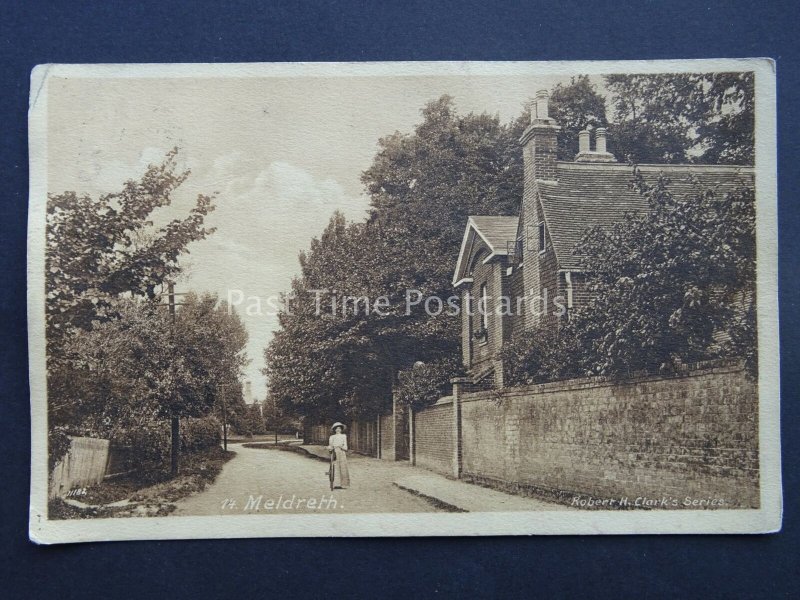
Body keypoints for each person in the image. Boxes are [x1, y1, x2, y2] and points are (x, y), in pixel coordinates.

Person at [327, 422, 350, 489]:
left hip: (342, 452)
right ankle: (335, 484)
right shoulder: (332, 437)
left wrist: (341, 447)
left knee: (342, 467)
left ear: (341, 429)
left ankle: (344, 484)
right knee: (335, 467)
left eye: (339, 428)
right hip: (334, 452)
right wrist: (330, 448)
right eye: (336, 428)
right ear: (334, 429)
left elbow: (346, 447)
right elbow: (330, 446)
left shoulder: (343, 436)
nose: (338, 429)